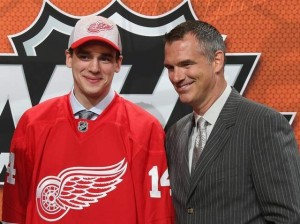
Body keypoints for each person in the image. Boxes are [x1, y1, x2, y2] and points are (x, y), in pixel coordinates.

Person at [2, 15, 174, 223]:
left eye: (105, 58)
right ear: (68, 58)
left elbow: (156, 216)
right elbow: (14, 212)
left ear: (118, 63)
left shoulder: (145, 128)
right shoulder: (33, 122)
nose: (94, 68)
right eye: (84, 56)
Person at [164, 20, 300, 224]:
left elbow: (286, 218)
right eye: (170, 67)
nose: (177, 77)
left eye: (186, 64)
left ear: (217, 60)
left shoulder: (263, 124)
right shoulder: (176, 132)